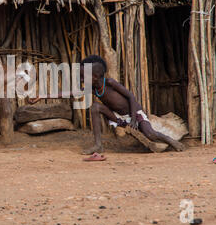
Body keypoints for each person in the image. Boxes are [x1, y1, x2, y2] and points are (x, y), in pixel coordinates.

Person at [28, 55, 185, 154]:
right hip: (118, 117)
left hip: (134, 113)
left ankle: (172, 142)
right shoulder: (93, 87)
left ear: (95, 76)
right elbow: (72, 93)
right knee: (95, 107)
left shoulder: (109, 83)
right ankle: (98, 145)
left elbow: (131, 97)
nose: (82, 80)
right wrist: (43, 95)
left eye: (84, 77)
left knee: (150, 134)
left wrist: (133, 119)